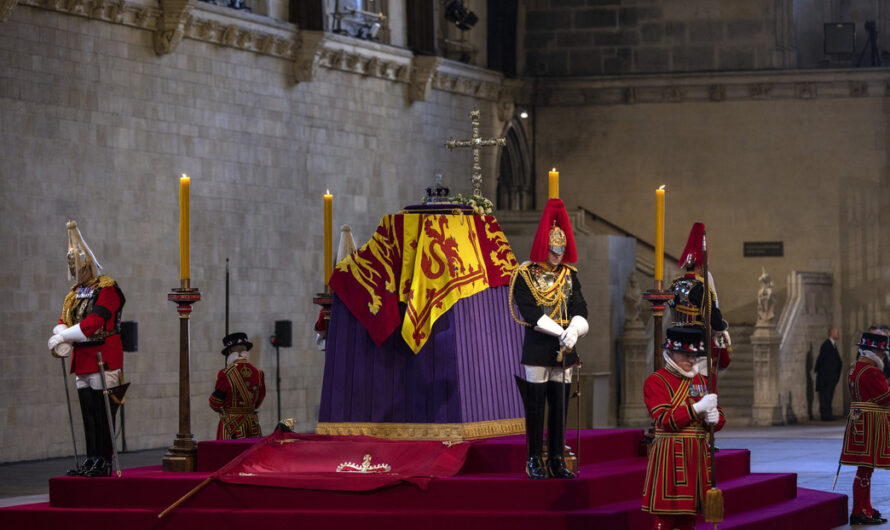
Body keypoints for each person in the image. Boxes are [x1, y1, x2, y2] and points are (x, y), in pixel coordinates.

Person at [509, 197, 588, 479]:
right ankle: (533, 458)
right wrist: (562, 332)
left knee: (560, 406)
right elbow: (530, 313)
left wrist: (575, 331)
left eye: (561, 250)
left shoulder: (569, 276)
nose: (557, 255)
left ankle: (556, 458)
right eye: (553, 250)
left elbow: (581, 308)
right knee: (535, 405)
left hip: (566, 345)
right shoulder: (525, 275)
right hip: (540, 343)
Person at [47, 220, 126, 477]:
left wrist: (64, 337)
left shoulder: (107, 288)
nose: (75, 272)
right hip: (82, 358)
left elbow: (94, 323)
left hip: (104, 356)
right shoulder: (74, 293)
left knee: (103, 415)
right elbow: (63, 320)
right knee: (88, 414)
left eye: (77, 266)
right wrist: (61, 334)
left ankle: (104, 461)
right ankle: (91, 459)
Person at [642, 326, 725, 530]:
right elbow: (665, 419)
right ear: (671, 353)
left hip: (697, 453)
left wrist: (714, 419)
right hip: (671, 453)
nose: (691, 361)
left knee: (689, 515)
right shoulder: (656, 381)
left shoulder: (702, 381)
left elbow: (718, 416)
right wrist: (697, 408)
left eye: (694, 356)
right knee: (667, 515)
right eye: (685, 355)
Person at [839, 331, 890, 525]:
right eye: (882, 352)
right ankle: (859, 510)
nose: (884, 356)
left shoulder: (855, 367)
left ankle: (866, 507)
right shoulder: (871, 371)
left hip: (860, 423)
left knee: (866, 470)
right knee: (864, 470)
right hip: (871, 425)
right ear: (875, 351)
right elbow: (883, 398)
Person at [668, 222, 731, 372]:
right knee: (699, 385)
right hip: (697, 344)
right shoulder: (701, 286)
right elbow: (713, 319)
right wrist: (722, 326)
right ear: (699, 266)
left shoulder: (676, 284)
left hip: (676, 341)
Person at [209, 332, 266, 439]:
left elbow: (215, 403)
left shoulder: (225, 373)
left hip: (232, 428)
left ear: (230, 352)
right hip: (252, 427)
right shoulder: (259, 373)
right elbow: (259, 401)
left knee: (230, 455)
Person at [814, 327, 842, 421]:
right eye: (836, 332)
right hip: (826, 377)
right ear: (831, 333)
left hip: (831, 377)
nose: (838, 334)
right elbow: (821, 360)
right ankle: (825, 415)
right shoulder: (826, 345)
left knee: (829, 396)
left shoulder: (833, 345)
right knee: (825, 396)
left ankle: (828, 414)